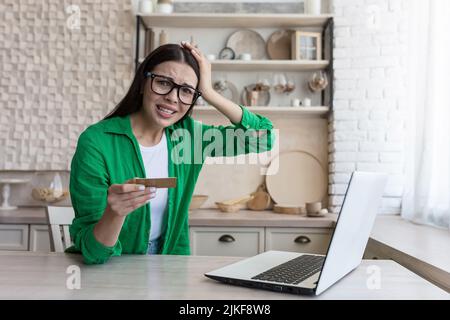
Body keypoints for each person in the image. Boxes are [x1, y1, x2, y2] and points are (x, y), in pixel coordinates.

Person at [67, 42, 275, 264]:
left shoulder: (189, 138)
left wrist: (210, 93)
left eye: (186, 91)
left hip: (171, 262)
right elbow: (94, 253)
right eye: (164, 83)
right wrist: (114, 213)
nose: (173, 98)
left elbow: (264, 138)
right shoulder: (97, 142)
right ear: (142, 83)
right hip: (113, 264)